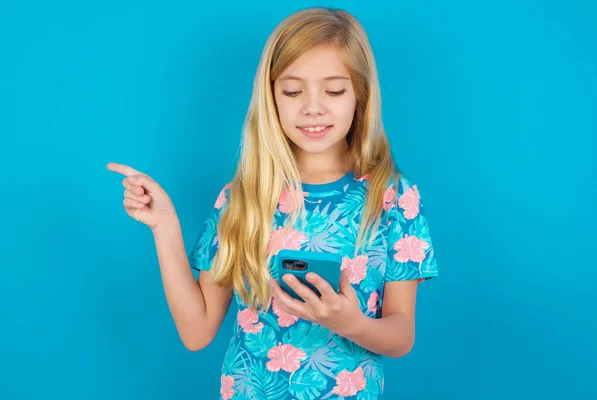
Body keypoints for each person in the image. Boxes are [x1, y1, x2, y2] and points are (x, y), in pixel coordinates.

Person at [107, 7, 439, 399]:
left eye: (333, 90)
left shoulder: (394, 198)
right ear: (271, 96)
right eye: (293, 91)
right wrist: (164, 226)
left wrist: (351, 323)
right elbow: (196, 333)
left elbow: (401, 337)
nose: (312, 107)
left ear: (360, 95)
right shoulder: (241, 197)